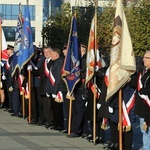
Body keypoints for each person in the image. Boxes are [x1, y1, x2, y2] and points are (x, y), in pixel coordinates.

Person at [129, 50, 150, 150]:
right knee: (145, 132)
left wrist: (144, 90)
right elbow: (135, 84)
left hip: (148, 106)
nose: (144, 59)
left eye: (147, 58)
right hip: (142, 107)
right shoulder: (142, 71)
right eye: (144, 57)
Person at [45, 48, 64, 130]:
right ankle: (55, 124)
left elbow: (57, 78)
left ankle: (59, 125)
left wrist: (55, 91)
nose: (50, 55)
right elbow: (50, 76)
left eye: (52, 54)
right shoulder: (54, 63)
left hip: (57, 90)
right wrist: (48, 89)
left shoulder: (59, 63)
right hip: (52, 89)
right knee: (54, 108)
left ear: (56, 55)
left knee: (58, 109)